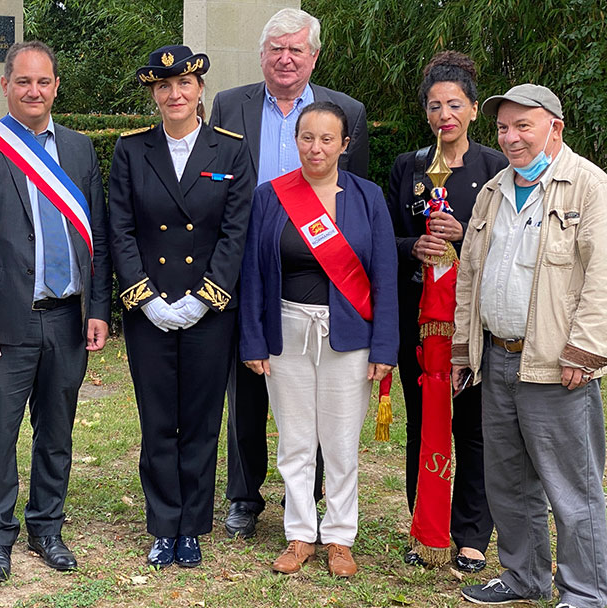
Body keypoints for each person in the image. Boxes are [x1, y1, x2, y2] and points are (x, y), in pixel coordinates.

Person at [0, 40, 112, 583]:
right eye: (23, 82)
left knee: (57, 428)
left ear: (56, 86)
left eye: (43, 82)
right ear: (6, 86)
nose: (33, 91)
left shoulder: (82, 151)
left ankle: (47, 527)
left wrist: (100, 309)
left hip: (67, 316)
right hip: (3, 322)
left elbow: (99, 240)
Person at [209, 7, 370, 538]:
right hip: (247, 262)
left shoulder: (344, 110)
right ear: (262, 55)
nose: (285, 58)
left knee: (321, 394)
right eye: (276, 48)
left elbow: (357, 203)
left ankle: (314, 496)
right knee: (250, 381)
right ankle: (245, 495)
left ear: (313, 56)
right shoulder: (230, 104)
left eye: (296, 49)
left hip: (318, 270)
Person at [454, 84, 607, 608]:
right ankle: (523, 578)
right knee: (508, 482)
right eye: (503, 128)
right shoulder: (494, 189)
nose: (511, 137)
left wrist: (585, 350)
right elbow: (470, 274)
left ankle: (585, 593)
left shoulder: (588, 186)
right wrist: (461, 348)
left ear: (555, 129)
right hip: (496, 356)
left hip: (556, 364)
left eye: (524, 126)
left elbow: (602, 276)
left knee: (573, 486)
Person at [239, 101, 397, 577]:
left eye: (328, 139)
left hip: (349, 335)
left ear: (344, 145)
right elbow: (251, 273)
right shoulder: (271, 197)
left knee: (342, 442)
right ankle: (300, 533)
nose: (316, 147)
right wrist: (252, 341)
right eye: (307, 137)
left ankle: (340, 537)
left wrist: (385, 347)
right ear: (296, 142)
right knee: (295, 439)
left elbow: (385, 275)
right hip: (285, 332)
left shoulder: (367, 197)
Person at [108, 45, 251, 568]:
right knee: (157, 419)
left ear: (199, 91)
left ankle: (192, 525)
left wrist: (205, 297)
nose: (175, 94)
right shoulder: (132, 149)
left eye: (184, 85)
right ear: (154, 94)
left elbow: (236, 231)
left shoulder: (230, 150)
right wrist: (145, 298)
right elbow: (119, 227)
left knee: (199, 419)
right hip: (150, 310)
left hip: (208, 311)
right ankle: (162, 523)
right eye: (164, 87)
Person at [387, 51, 507, 572]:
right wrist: (413, 246)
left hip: (474, 319)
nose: (444, 115)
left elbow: (514, 246)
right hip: (419, 318)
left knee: (474, 427)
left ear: (475, 109)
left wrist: (469, 238)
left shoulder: (497, 168)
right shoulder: (408, 168)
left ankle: (473, 533)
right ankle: (425, 527)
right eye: (434, 106)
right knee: (423, 421)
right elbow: (383, 237)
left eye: (454, 104)